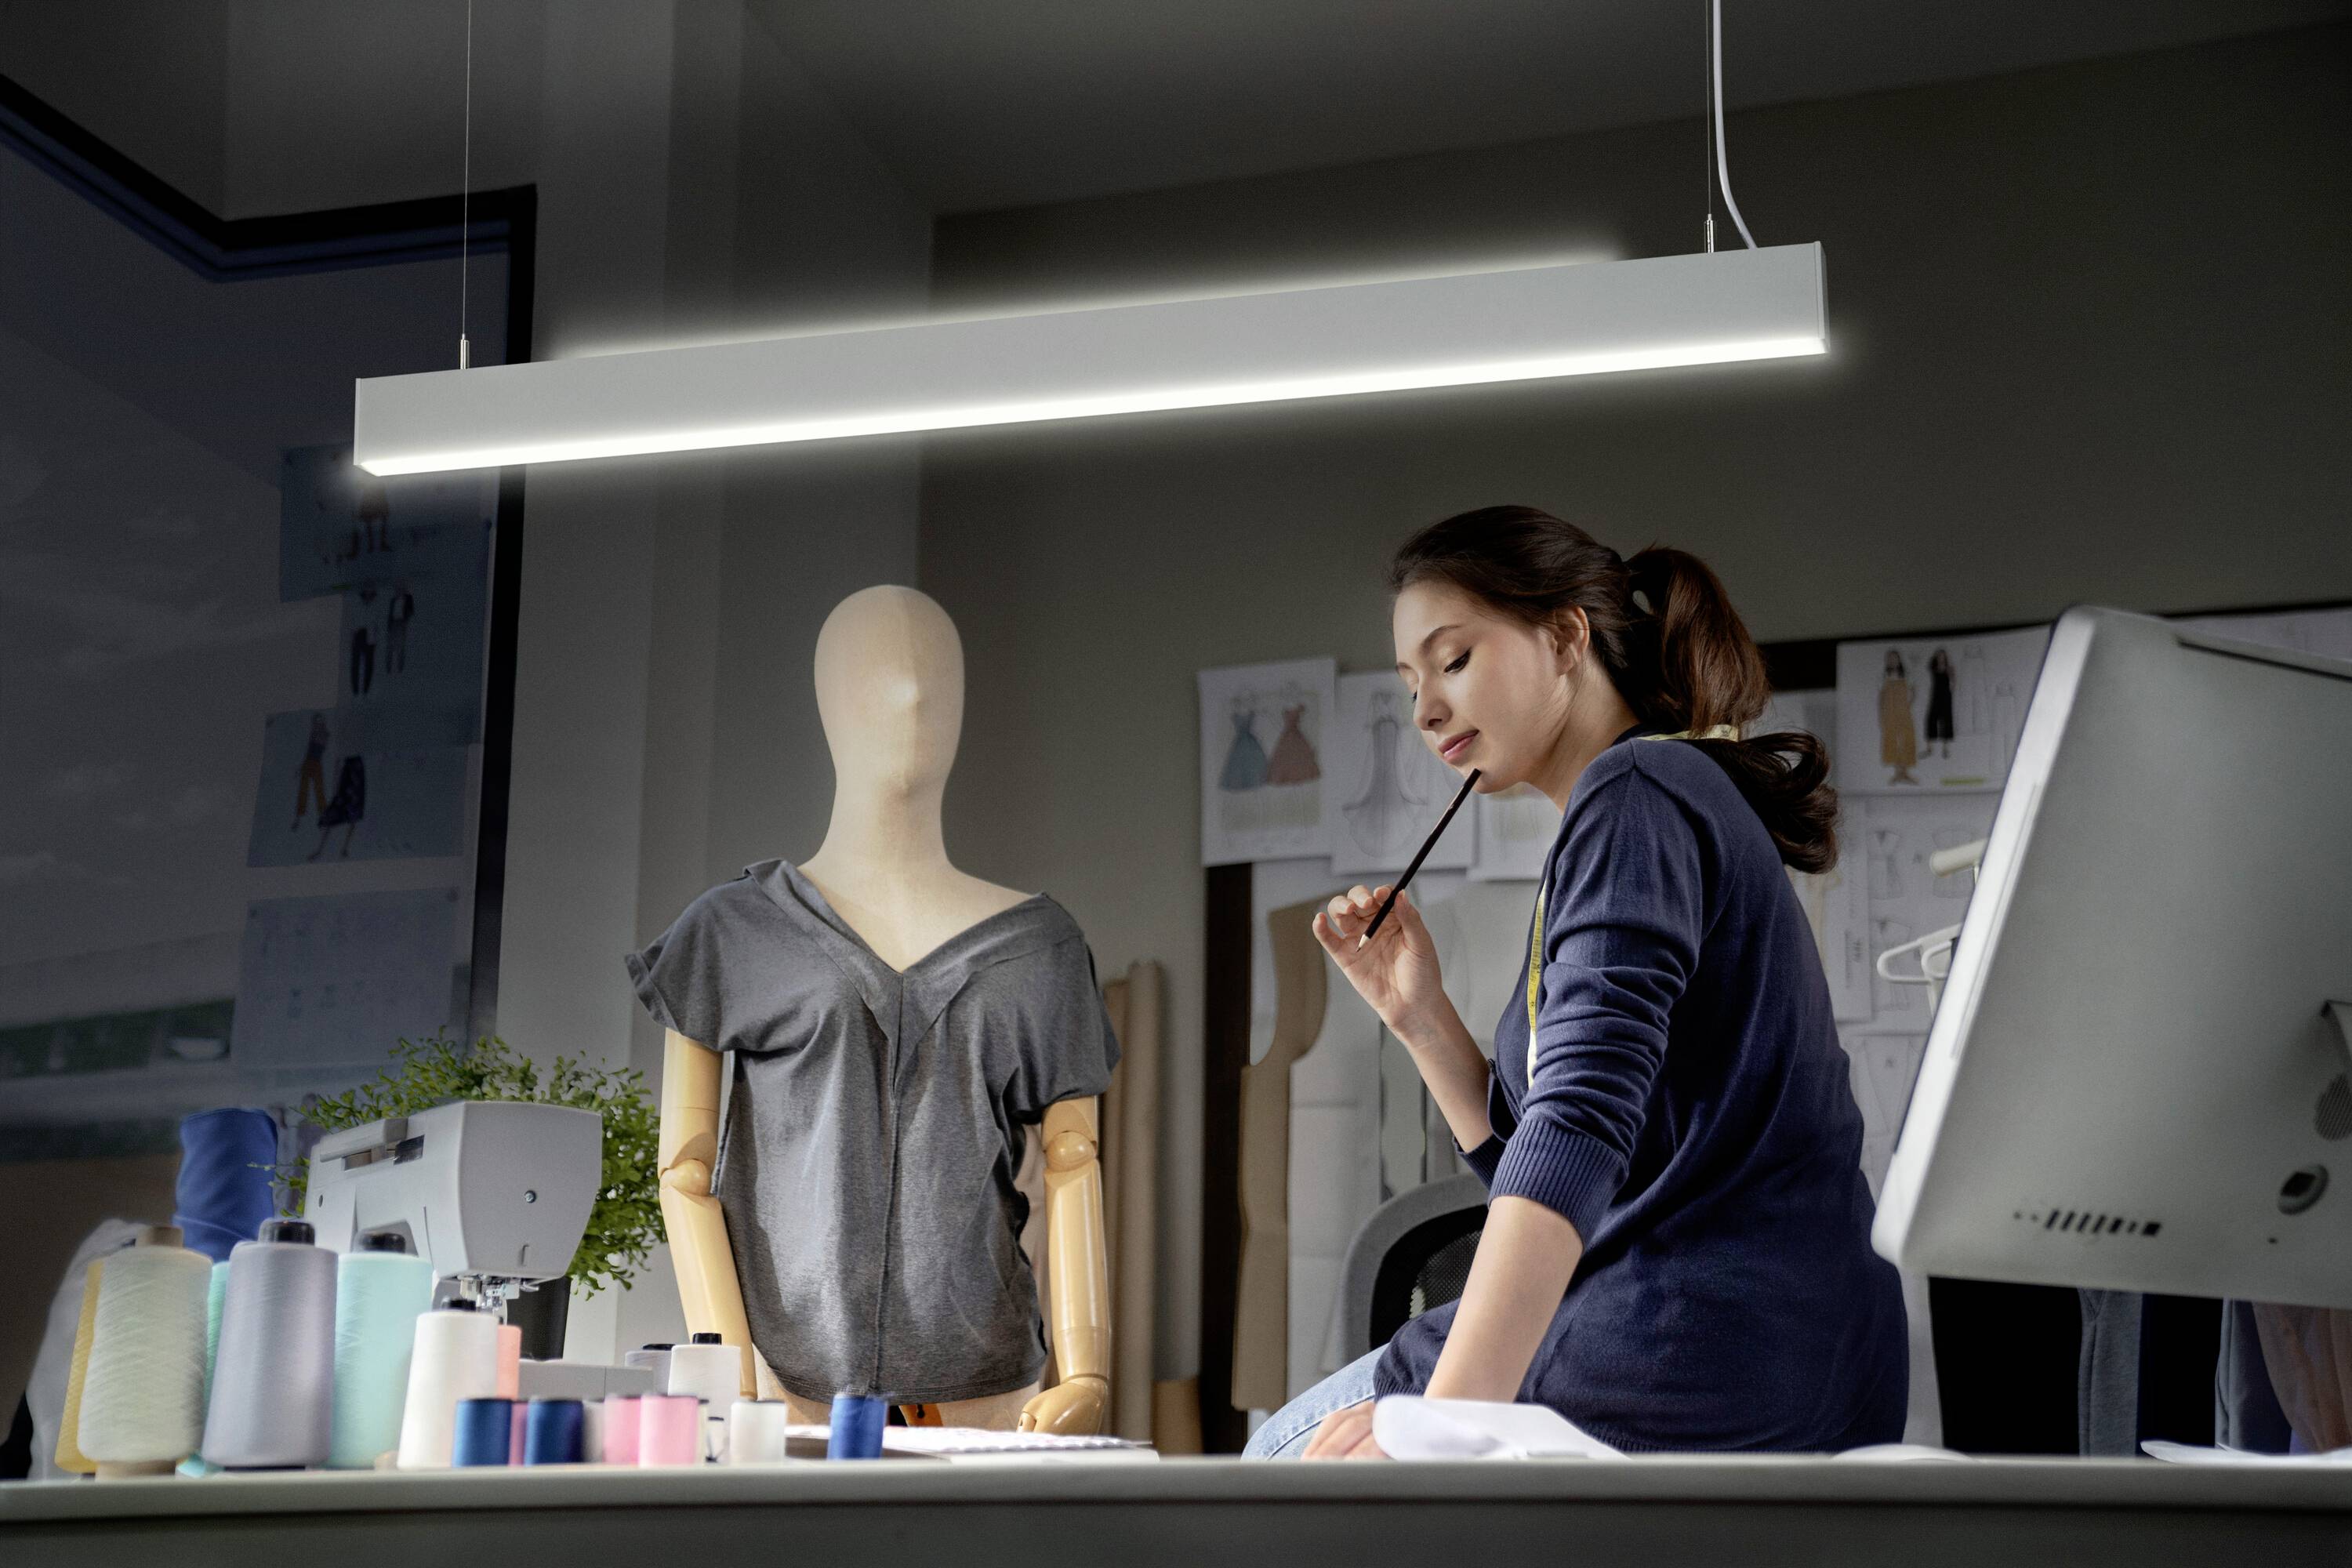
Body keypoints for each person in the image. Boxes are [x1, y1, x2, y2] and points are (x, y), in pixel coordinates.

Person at [1244, 505, 1905, 1458]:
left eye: (1454, 659)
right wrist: (1421, 1016)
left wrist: (1440, 1427)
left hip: (1694, 1342)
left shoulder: (1633, 795)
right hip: (1770, 1352)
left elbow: (1577, 1133)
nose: (1426, 708)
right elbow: (1565, 1156)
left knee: (1273, 1459)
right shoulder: (1660, 797)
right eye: (1410, 680)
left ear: (1565, 637)